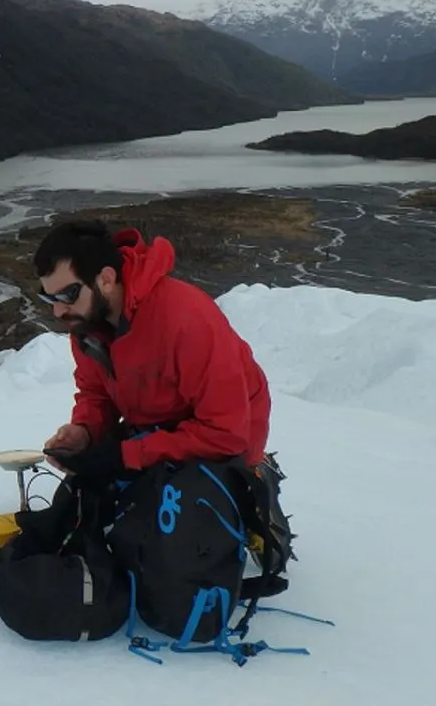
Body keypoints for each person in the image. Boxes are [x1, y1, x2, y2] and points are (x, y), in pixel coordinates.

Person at [31, 218, 293, 572]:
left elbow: (225, 433)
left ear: (106, 279)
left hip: (230, 432)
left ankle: (253, 489)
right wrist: (86, 432)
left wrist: (128, 454)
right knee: (93, 501)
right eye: (48, 297)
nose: (58, 310)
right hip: (158, 422)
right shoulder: (88, 326)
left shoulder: (185, 319)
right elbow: (96, 392)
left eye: (67, 295)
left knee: (179, 540)